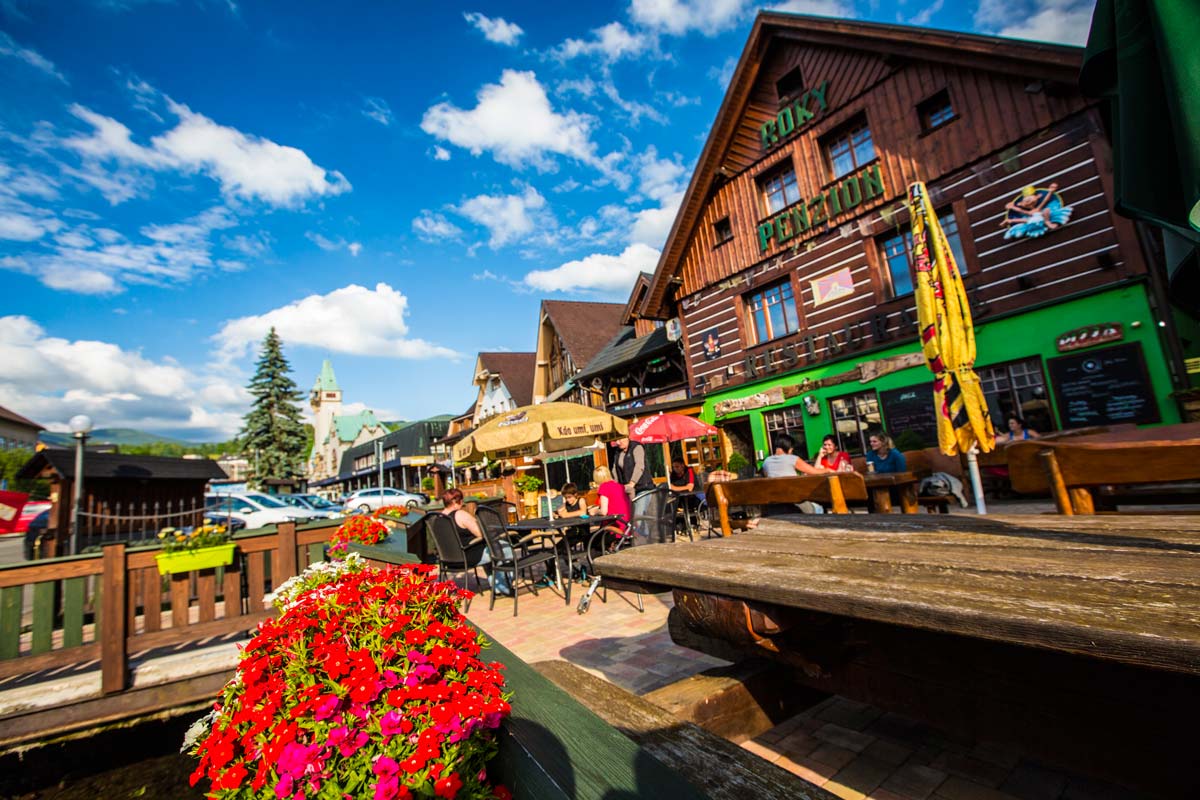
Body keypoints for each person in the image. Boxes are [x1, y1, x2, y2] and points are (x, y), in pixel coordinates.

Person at [440, 488, 511, 596]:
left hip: (448, 560)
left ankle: (497, 586)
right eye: (461, 500)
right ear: (455, 501)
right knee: (504, 548)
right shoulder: (460, 514)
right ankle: (504, 587)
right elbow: (481, 533)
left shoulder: (437, 518)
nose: (462, 503)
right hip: (467, 557)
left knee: (489, 549)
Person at [762, 434, 832, 477]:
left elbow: (766, 475)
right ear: (789, 448)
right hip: (793, 493)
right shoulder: (792, 459)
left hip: (774, 494)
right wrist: (827, 470)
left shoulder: (766, 461)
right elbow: (814, 472)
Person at [590, 466, 631, 534]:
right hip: (626, 527)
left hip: (614, 528)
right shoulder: (620, 486)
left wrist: (594, 511)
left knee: (588, 538)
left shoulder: (604, 487)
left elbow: (603, 512)